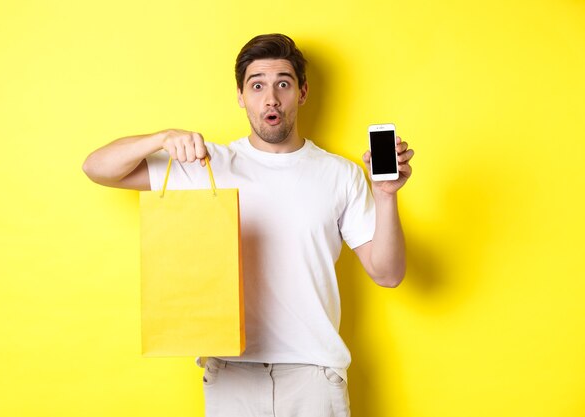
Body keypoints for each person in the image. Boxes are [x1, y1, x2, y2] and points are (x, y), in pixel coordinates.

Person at [83, 33, 414, 417]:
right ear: (241, 96)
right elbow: (97, 168)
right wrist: (161, 138)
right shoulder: (206, 165)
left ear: (302, 93)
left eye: (283, 84)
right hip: (231, 374)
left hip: (313, 375)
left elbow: (388, 273)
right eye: (257, 85)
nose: (270, 98)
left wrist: (386, 194)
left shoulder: (340, 174)